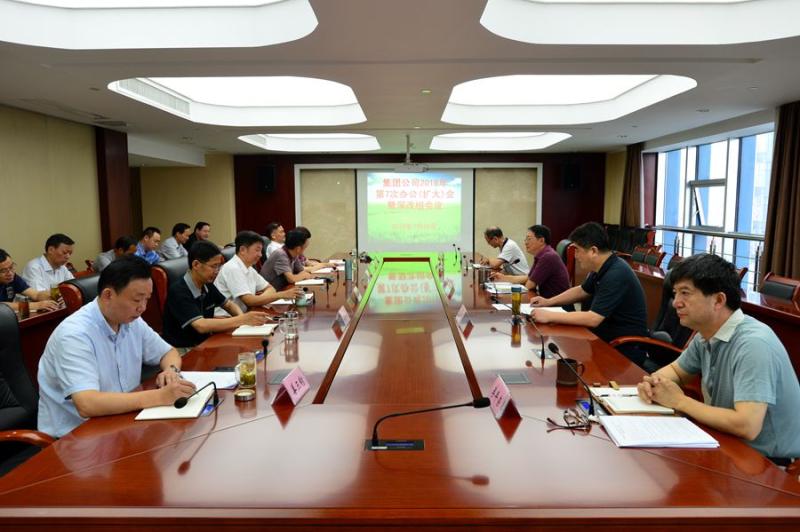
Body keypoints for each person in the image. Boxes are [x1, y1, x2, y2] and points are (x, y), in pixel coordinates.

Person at [637, 254, 800, 464]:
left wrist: (679, 401)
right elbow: (677, 372)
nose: (675, 303)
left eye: (685, 293)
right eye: (675, 293)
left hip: (769, 463)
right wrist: (653, 384)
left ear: (718, 300)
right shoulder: (706, 334)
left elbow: (747, 426)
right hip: (728, 443)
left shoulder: (753, 344)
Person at [36, 256, 197, 438]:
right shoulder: (74, 335)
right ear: (108, 295)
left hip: (122, 421)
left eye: (147, 299)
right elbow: (87, 404)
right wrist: (160, 397)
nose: (143, 308)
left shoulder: (131, 320)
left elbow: (168, 352)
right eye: (137, 300)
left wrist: (171, 371)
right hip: (76, 437)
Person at [529, 222, 650, 370]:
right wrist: (548, 302)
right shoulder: (602, 267)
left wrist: (549, 316)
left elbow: (593, 318)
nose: (575, 256)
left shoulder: (616, 274)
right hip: (601, 339)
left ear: (593, 251)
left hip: (623, 349)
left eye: (578, 250)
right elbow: (581, 290)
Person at [162, 241, 269, 348]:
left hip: (205, 342)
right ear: (196, 265)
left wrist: (243, 318)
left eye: (219, 266)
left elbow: (228, 305)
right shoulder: (179, 291)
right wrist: (242, 320)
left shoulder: (206, 284)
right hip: (183, 348)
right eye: (214, 266)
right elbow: (201, 325)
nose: (217, 271)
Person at [214, 231, 302, 315]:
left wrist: (260, 299)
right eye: (257, 250)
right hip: (225, 319)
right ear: (242, 250)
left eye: (260, 251)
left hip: (244, 314)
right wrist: (280, 295)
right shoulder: (233, 268)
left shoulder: (249, 268)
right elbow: (249, 300)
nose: (260, 255)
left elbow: (270, 288)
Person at [489, 224, 571, 299]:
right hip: (548, 300)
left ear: (541, 240)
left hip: (558, 305)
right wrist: (503, 278)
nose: (526, 242)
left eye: (529, 239)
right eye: (526, 239)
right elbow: (528, 278)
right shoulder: (542, 255)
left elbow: (529, 285)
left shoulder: (548, 257)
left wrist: (505, 294)